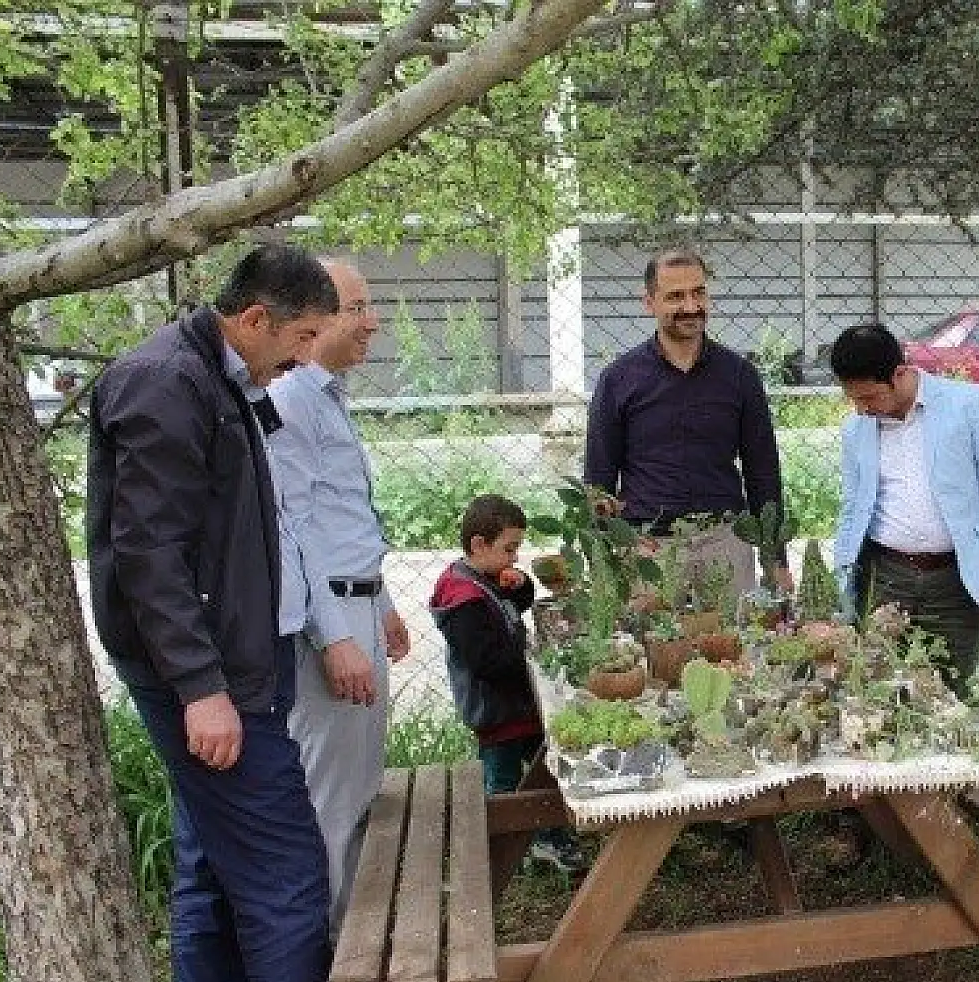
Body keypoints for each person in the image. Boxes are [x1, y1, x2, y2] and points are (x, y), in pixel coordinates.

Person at [87, 244, 379, 982]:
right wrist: (202, 689)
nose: (302, 358)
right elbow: (148, 556)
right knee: (288, 877)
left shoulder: (228, 380)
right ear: (254, 318)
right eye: (298, 337)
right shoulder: (163, 385)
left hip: (248, 659)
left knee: (214, 858)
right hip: (211, 679)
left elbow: (275, 526)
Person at [265, 259, 411, 938]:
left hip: (357, 607)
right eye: (356, 309)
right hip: (332, 625)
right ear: (314, 319)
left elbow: (339, 520)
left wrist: (379, 604)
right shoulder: (292, 401)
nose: (371, 321)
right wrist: (336, 636)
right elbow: (291, 528)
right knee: (331, 802)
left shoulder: (324, 397)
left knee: (358, 792)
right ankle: (318, 962)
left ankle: (350, 949)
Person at [583, 247, 793, 601]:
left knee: (737, 651)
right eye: (676, 296)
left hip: (727, 544)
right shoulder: (619, 379)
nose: (691, 306)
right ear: (649, 302)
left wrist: (776, 560)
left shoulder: (739, 375)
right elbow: (599, 480)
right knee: (651, 653)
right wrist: (605, 562)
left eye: (699, 292)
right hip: (650, 550)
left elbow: (763, 473)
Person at [828, 322, 979, 697]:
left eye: (869, 398)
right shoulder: (856, 429)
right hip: (884, 578)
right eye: (854, 400)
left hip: (955, 583)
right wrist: (843, 585)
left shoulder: (969, 408)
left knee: (949, 696)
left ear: (899, 375)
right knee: (878, 694)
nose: (862, 409)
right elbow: (851, 509)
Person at [430, 494, 587, 872]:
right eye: (510, 548)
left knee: (542, 770)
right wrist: (533, 660)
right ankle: (497, 853)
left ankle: (546, 838)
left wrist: (519, 586)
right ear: (479, 545)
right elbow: (486, 662)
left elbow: (517, 603)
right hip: (497, 711)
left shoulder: (484, 577)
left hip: (518, 704)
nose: (514, 557)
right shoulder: (462, 598)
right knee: (501, 784)